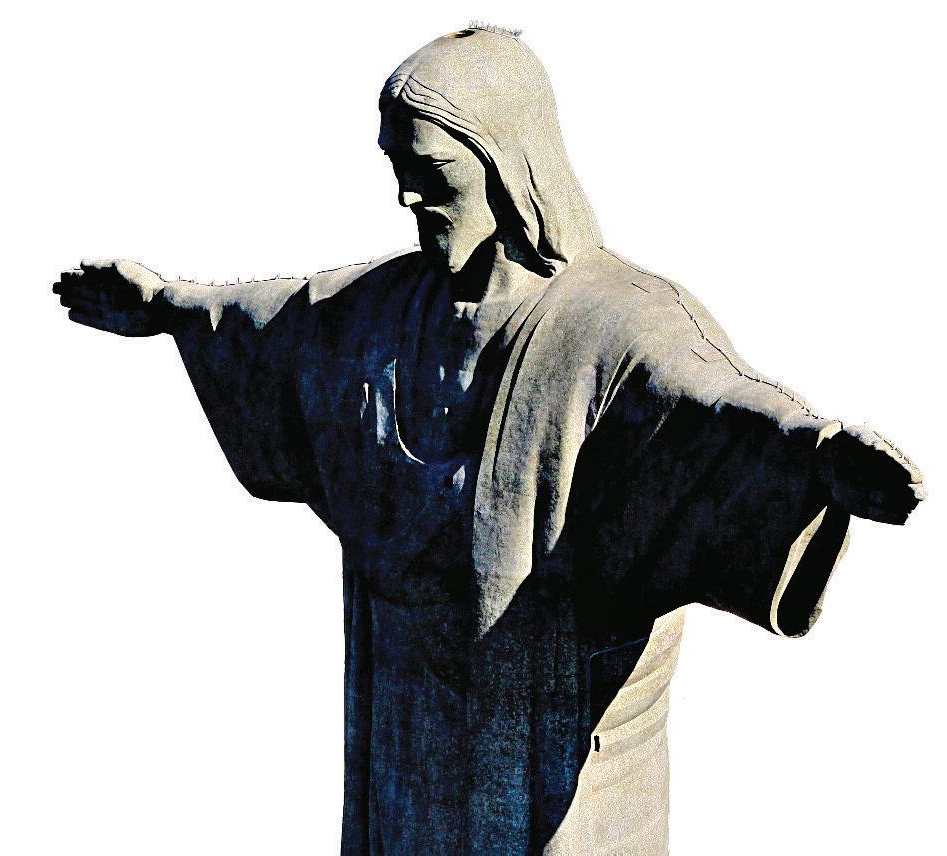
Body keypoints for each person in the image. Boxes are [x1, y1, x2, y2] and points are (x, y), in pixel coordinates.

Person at [52, 24, 924, 856]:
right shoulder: (386, 306)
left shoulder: (616, 322)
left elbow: (715, 406)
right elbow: (281, 320)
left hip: (546, 738)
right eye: (396, 168)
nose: (406, 196)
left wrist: (819, 458)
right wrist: (165, 307)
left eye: (430, 171)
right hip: (406, 725)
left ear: (505, 160)